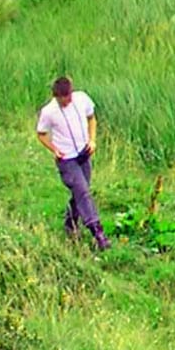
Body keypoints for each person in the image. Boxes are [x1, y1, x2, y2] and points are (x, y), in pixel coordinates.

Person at [35, 74, 108, 252]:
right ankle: (97, 232)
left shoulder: (82, 99)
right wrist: (54, 149)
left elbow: (92, 118)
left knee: (81, 192)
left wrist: (92, 140)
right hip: (66, 159)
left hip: (84, 153)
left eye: (67, 98)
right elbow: (41, 133)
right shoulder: (49, 112)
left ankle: (70, 223)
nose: (65, 102)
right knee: (82, 191)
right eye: (61, 99)